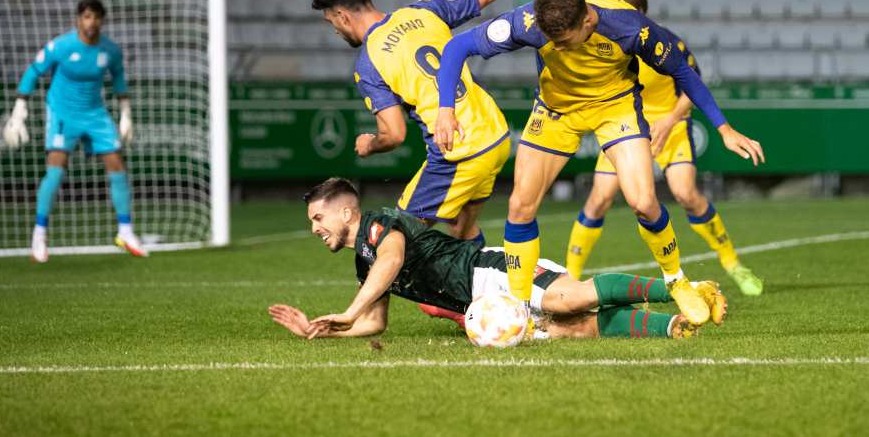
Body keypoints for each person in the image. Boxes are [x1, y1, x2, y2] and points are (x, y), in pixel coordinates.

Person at [433, 0, 764, 325]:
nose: (556, 47)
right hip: (556, 110)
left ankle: (675, 279)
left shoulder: (632, 28)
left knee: (644, 202)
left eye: (563, 41)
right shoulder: (529, 21)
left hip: (615, 108)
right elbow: (459, 46)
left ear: (588, 21)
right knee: (520, 206)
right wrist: (446, 109)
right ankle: (521, 310)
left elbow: (683, 72)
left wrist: (723, 128)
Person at [310, 0, 553, 246]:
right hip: (495, 135)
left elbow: (394, 134)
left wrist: (371, 144)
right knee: (462, 230)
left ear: (342, 15)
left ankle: (367, 299)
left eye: (332, 23)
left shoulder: (369, 63)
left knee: (392, 240)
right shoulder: (424, 11)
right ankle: (486, 293)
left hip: (459, 149)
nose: (337, 32)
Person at [268, 178, 726, 341]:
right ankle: (671, 326)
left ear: (345, 211)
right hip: (480, 309)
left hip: (489, 272)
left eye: (318, 217)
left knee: (569, 300)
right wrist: (326, 329)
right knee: (573, 329)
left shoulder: (378, 224)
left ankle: (677, 289)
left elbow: (392, 260)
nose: (315, 228)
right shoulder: (363, 262)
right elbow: (375, 323)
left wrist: (351, 309)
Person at [566, 0, 763, 296]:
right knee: (599, 199)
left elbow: (692, 85)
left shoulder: (662, 41)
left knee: (685, 193)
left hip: (670, 127)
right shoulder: (598, 42)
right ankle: (571, 278)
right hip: (624, 126)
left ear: (640, 15)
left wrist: (670, 120)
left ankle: (732, 262)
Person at [2, 0, 146, 262]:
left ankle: (125, 232)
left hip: (95, 113)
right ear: (78, 19)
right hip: (62, 113)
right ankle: (39, 235)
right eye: (87, 16)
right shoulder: (61, 46)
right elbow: (34, 71)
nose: (91, 22)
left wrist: (126, 114)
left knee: (116, 164)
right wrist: (19, 109)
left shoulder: (110, 51)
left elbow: (119, 78)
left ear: (102, 20)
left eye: (96, 17)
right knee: (56, 170)